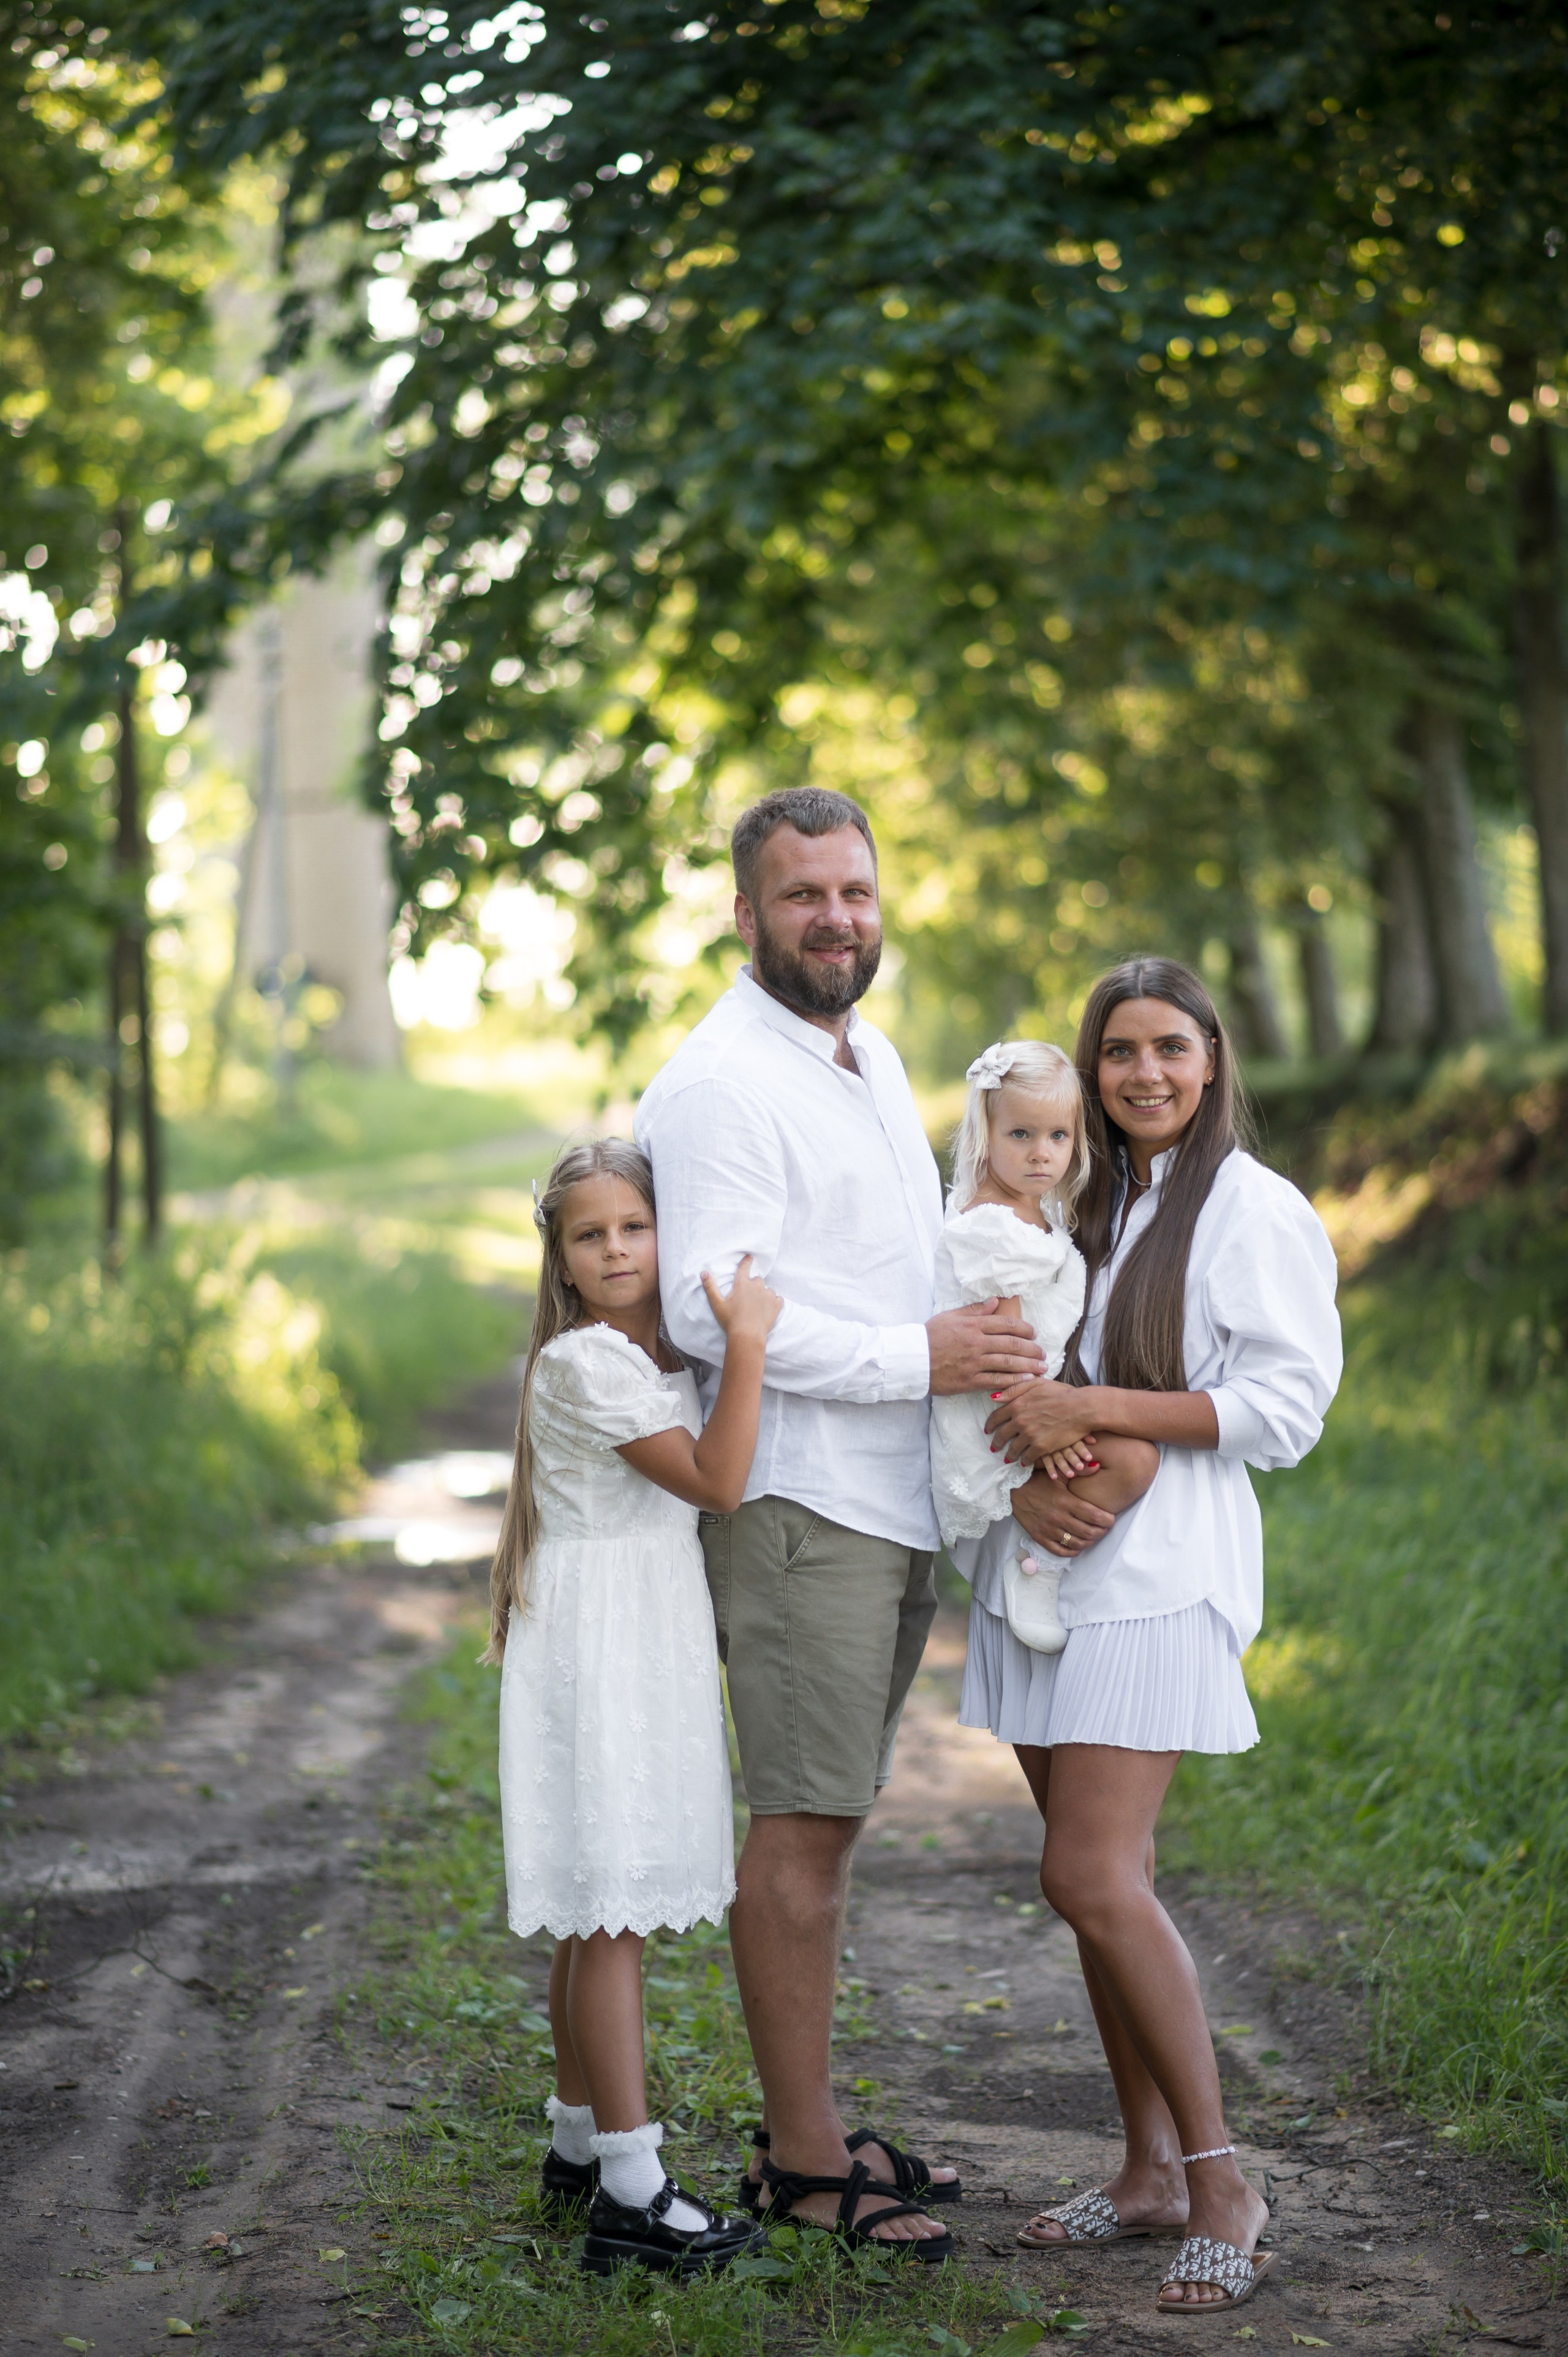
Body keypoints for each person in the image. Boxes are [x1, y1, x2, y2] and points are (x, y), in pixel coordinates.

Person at [635, 785, 1045, 2257]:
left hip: (882, 1495)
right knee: (798, 1836)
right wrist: (910, 1357)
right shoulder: (720, 1082)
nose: (835, 919)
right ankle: (805, 2164)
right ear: (743, 912)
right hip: (801, 1497)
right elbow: (707, 1301)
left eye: (855, 891)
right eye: (802, 895)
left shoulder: (857, 1050)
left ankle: (810, 2121)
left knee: (832, 1820)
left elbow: (882, 1253)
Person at [979, 957, 1341, 2318]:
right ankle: (1140, 2169)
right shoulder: (1069, 1201)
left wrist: (1108, 1413)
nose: (1143, 1072)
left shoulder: (1251, 1209)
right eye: (1118, 1049)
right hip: (1039, 1563)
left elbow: (1284, 1408)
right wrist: (1026, 1448)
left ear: (1211, 1056)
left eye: (1168, 1048)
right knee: (1085, 1881)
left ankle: (1218, 2176)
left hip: (1158, 1574)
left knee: (1090, 1868)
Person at [487, 1136, 780, 2278]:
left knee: (592, 1909)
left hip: (632, 1629)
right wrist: (748, 1341)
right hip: (602, 1643)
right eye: (591, 1233)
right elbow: (717, 1479)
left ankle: (573, 2145)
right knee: (606, 1913)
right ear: (560, 1256)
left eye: (635, 1227)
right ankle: (633, 2186)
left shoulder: (643, 1351)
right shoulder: (586, 1364)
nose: (616, 1249)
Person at [933, 1037, 1157, 1655]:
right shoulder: (993, 1226)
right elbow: (1000, 1349)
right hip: (1002, 1412)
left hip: (1030, 1400)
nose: (1041, 1154)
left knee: (1135, 1459)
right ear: (985, 1132)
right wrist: (1047, 1429)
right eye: (1021, 1135)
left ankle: (1051, 1554)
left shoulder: (1037, 1213)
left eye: (1057, 1136)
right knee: (1134, 1461)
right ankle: (1036, 1563)